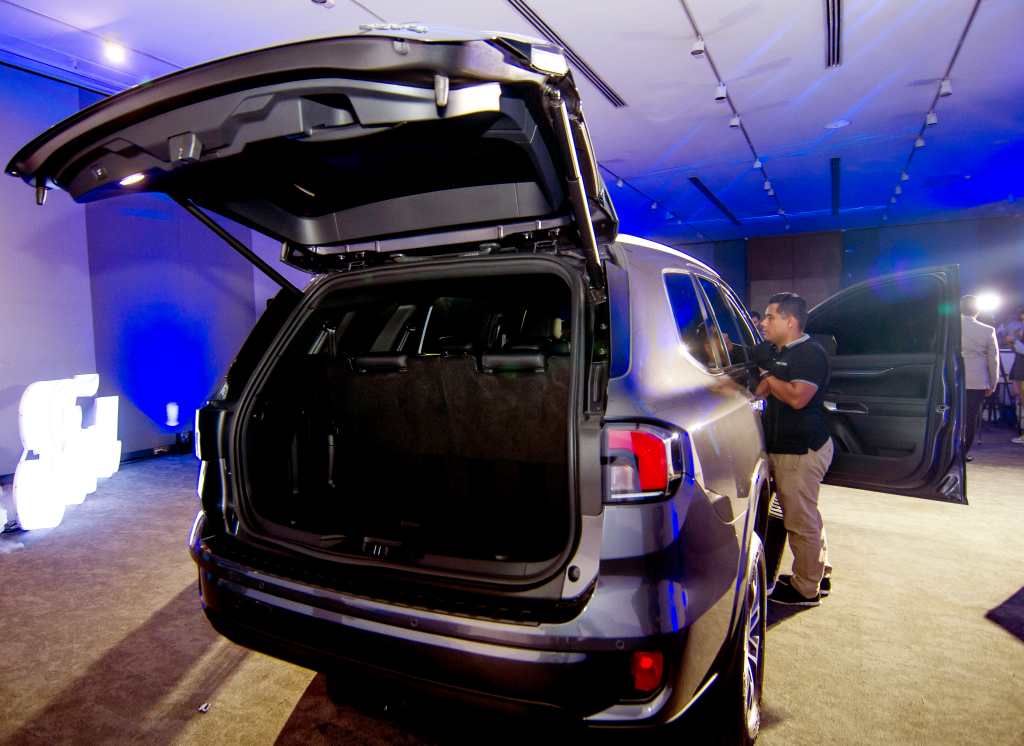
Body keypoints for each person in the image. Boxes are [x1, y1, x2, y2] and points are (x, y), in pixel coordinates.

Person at [756, 292, 833, 607]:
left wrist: (768, 376)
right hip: (788, 448)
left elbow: (798, 397)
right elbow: (761, 388)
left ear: (790, 321)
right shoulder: (779, 351)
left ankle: (805, 590)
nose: (763, 322)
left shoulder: (810, 354)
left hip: (800, 451)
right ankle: (818, 572)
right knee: (807, 514)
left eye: (770, 317)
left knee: (799, 522)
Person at [960, 295, 1000, 459]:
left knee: (948, 416)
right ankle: (962, 454)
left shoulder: (949, 328)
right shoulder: (987, 330)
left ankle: (944, 453)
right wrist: (993, 383)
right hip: (977, 381)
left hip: (952, 379)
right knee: (970, 418)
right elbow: (993, 359)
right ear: (977, 311)